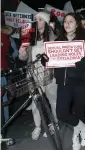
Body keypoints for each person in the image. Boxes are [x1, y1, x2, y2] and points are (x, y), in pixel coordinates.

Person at [54, 13, 85, 150]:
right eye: (65, 21)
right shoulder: (58, 40)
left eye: (71, 21)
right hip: (64, 81)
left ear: (77, 23)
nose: (67, 24)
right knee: (62, 113)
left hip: (81, 81)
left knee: (79, 110)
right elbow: (53, 60)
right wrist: (47, 61)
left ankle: (76, 137)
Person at [18, 12, 58, 140]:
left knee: (53, 101)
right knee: (35, 102)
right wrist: (22, 52)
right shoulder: (29, 38)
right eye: (35, 19)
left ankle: (55, 124)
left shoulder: (53, 37)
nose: (37, 21)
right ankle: (38, 126)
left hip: (50, 74)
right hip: (33, 74)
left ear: (46, 22)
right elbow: (23, 58)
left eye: (40, 19)